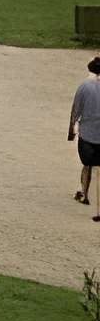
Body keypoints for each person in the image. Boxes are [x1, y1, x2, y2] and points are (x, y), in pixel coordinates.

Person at [73, 57, 100, 211]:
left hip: (88, 134)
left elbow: (76, 110)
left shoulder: (84, 87)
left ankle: (85, 194)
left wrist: (72, 130)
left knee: (87, 165)